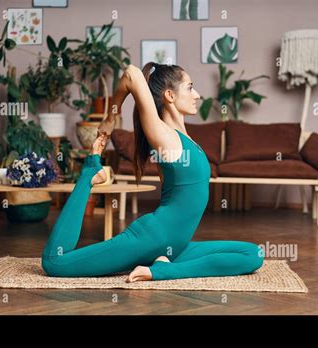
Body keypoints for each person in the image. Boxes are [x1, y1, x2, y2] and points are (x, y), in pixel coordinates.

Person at [41, 62, 264, 282]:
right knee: (54, 262)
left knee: (253, 255)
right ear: (170, 95)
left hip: (175, 246)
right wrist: (110, 119)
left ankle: (162, 265)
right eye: (189, 87)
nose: (196, 94)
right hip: (149, 239)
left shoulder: (185, 139)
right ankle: (89, 173)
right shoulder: (163, 135)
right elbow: (131, 74)